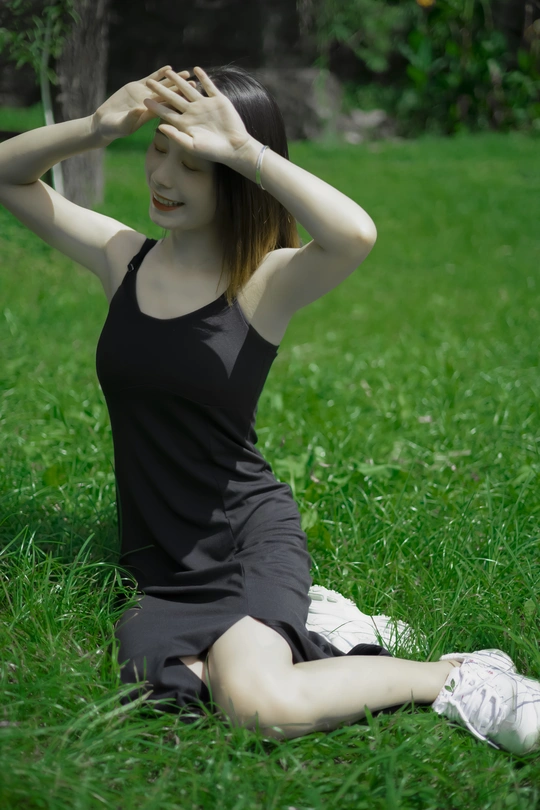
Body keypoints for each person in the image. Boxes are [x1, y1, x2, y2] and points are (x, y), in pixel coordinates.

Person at [1, 63, 538, 754]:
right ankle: (319, 631)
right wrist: (95, 128)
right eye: (158, 150)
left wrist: (247, 150)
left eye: (193, 165)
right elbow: (9, 177)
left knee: (256, 705)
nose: (163, 176)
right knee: (179, 692)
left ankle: (456, 676)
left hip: (243, 536)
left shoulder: (263, 283)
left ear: (232, 177)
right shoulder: (122, 259)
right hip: (159, 561)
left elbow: (355, 234)